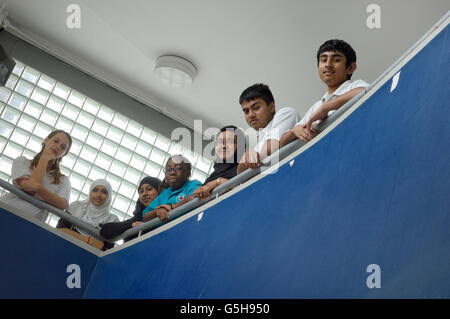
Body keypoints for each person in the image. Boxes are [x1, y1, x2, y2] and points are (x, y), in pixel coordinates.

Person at [280, 39, 369, 146]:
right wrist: (294, 130)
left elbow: (367, 92)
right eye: (323, 60)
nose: (328, 64)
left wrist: (326, 108)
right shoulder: (315, 107)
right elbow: (281, 145)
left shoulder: (355, 86)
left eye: (336, 60)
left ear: (350, 68)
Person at [0, 130, 72, 222]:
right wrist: (45, 158)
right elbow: (29, 189)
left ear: (64, 154)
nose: (58, 146)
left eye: (62, 147)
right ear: (46, 140)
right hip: (4, 210)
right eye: (56, 141)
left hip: (31, 225)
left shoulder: (64, 180)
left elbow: (62, 205)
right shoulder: (22, 162)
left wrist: (38, 188)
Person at [237, 83, 300, 174]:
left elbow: (271, 148)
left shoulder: (286, 114)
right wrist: (246, 158)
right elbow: (240, 174)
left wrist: (248, 161)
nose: (250, 115)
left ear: (271, 107)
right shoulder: (257, 144)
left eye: (256, 108)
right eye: (246, 111)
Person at [57, 179, 119, 250]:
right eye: (95, 190)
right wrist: (88, 240)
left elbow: (106, 249)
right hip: (65, 246)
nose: (98, 195)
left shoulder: (113, 220)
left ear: (109, 196)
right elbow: (60, 229)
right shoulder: (76, 206)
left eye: (104, 192)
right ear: (90, 192)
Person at [100, 176, 162, 242]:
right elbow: (104, 231)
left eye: (149, 189)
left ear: (159, 191)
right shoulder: (137, 219)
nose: (144, 194)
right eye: (141, 191)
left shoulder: (167, 212)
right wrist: (130, 225)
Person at [142, 155, 202, 223]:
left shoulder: (193, 184)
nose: (172, 172)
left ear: (188, 173)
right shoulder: (164, 193)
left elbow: (194, 197)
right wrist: (157, 211)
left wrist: (171, 207)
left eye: (178, 168)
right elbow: (145, 215)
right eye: (168, 169)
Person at [193, 125, 245, 200]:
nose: (223, 146)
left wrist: (219, 182)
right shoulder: (213, 176)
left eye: (229, 142)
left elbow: (243, 195)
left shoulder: (245, 168)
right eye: (220, 142)